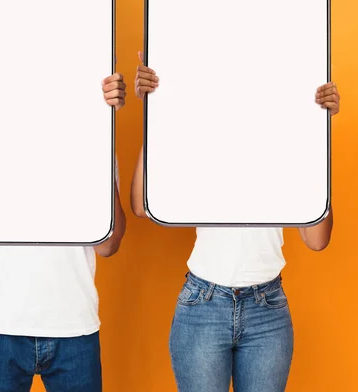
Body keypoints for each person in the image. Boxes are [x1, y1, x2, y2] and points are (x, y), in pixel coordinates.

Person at [130, 51, 340, 392]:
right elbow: (140, 204)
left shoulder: (287, 145)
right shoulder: (202, 136)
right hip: (202, 306)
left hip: (267, 310)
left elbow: (317, 239)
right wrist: (156, 110)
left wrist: (319, 133)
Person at [0, 72, 127, 392]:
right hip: (0, 328)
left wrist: (99, 138)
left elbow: (109, 244)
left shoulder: (91, 143)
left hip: (74, 327)